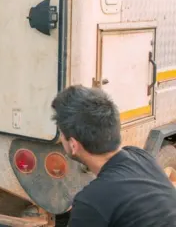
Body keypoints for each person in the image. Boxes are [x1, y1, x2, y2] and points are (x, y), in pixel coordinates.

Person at [51, 85, 176, 226]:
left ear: (73, 145)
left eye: (61, 133)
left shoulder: (91, 202)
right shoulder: (141, 157)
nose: (61, 138)